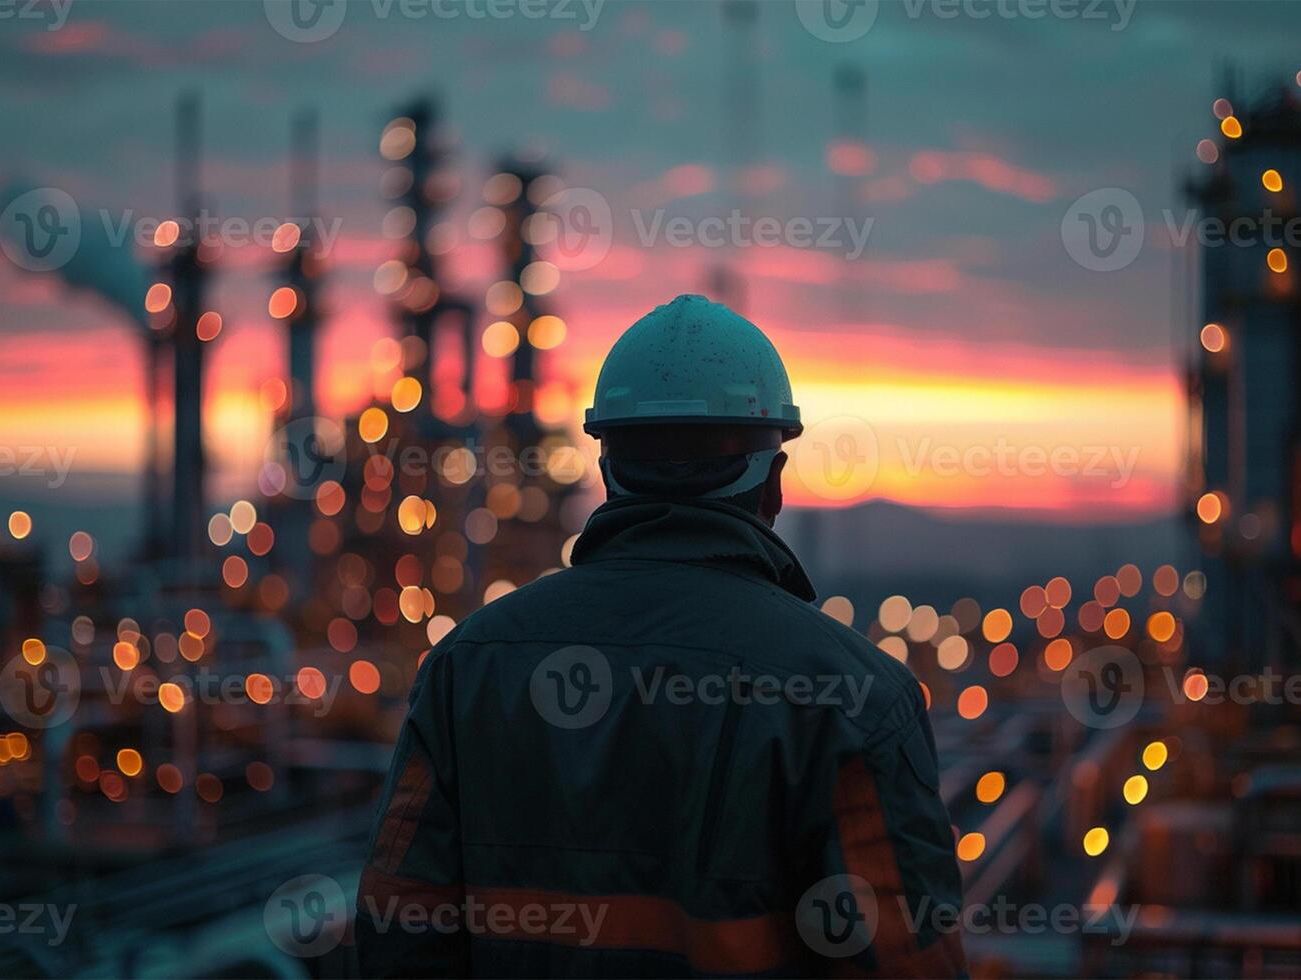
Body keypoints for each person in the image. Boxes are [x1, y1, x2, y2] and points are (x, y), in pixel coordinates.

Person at [355, 294, 968, 977]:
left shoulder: (465, 668)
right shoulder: (855, 699)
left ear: (607, 470)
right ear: (773, 488)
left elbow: (397, 929)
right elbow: (908, 963)